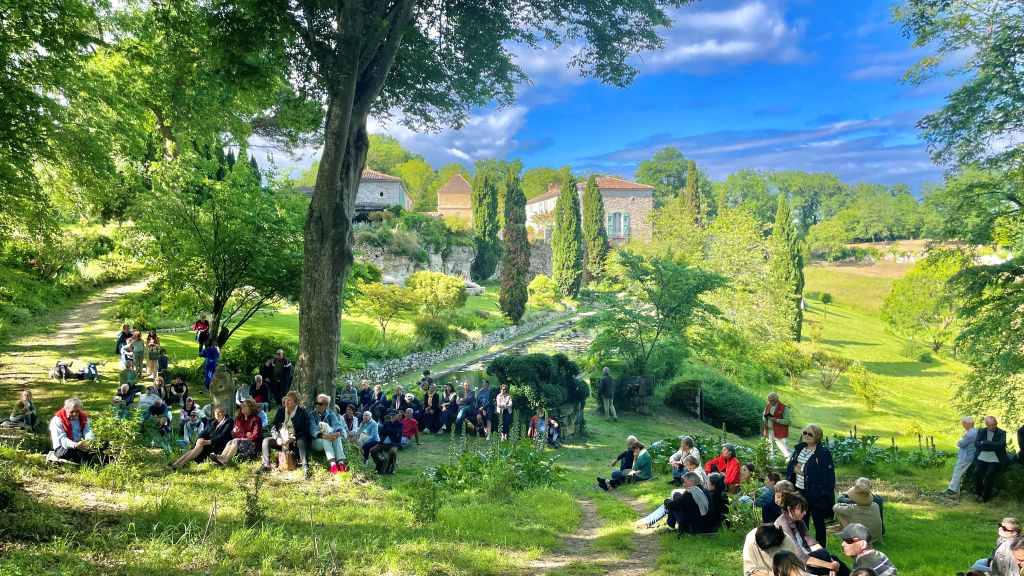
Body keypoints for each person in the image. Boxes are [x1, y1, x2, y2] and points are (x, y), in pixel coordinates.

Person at [774, 492, 850, 576]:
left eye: (805, 510)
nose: (804, 513)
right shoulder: (782, 524)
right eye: (801, 509)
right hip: (795, 564)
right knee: (823, 555)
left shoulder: (799, 521)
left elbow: (812, 543)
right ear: (789, 508)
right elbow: (800, 557)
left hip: (808, 557)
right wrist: (830, 565)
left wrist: (832, 561)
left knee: (833, 558)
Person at [786, 424, 835, 546]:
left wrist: (803, 472)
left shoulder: (823, 453)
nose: (806, 436)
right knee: (802, 519)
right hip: (800, 490)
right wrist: (794, 470)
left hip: (815, 492)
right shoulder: (800, 449)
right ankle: (804, 545)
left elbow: (826, 475)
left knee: (818, 521)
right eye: (805, 433)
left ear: (817, 436)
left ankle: (821, 547)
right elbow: (791, 465)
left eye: (810, 434)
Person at [260, 391, 313, 478]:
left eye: (290, 400)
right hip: (281, 438)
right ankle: (266, 465)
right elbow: (274, 426)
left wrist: (293, 438)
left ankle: (306, 467)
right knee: (266, 441)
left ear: (296, 402)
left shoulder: (302, 412)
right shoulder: (281, 411)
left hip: (294, 440)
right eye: (286, 399)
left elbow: (305, 429)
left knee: (301, 441)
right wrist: (277, 437)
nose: (286, 402)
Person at [169, 406, 233, 470]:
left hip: (217, 446)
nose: (217, 414)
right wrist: (199, 439)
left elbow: (223, 436)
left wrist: (208, 442)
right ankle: (176, 463)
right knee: (198, 445)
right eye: (216, 412)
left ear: (224, 413)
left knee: (199, 446)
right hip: (206, 445)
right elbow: (203, 432)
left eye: (220, 412)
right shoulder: (211, 421)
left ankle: (180, 464)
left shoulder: (229, 421)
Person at [49, 398, 104, 465]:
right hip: (64, 447)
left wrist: (89, 441)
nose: (75, 414)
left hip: (80, 443)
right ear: (66, 409)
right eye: (72, 411)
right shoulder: (57, 420)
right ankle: (87, 462)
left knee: (104, 444)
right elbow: (62, 439)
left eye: (77, 411)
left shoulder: (83, 417)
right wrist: (75, 445)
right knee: (76, 453)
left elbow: (88, 431)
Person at [212, 398, 263, 465]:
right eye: (242, 406)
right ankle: (221, 458)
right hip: (240, 442)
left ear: (251, 408)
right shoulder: (239, 419)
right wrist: (246, 434)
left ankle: (225, 460)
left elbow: (256, 435)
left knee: (236, 441)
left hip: (253, 444)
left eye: (245, 406)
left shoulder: (256, 419)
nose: (242, 407)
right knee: (230, 441)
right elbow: (233, 434)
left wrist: (241, 435)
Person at [834, 478, 884, 543]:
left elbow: (836, 506)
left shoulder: (851, 506)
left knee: (840, 511)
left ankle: (846, 531)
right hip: (876, 538)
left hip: (861, 539)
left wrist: (848, 498)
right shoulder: (876, 503)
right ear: (870, 488)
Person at [974, 415, 1010, 503]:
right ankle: (977, 493)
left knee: (989, 475)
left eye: (994, 424)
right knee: (977, 472)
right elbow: (977, 444)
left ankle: (985, 497)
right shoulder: (981, 431)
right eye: (990, 425)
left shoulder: (1002, 432)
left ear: (996, 423)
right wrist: (992, 445)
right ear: (986, 425)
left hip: (995, 457)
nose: (993, 427)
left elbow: (1001, 445)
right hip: (982, 456)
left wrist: (985, 443)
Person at [309, 394, 347, 474]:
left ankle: (341, 464)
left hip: (329, 438)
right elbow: (312, 431)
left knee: (337, 437)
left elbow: (337, 425)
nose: (317, 405)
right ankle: (333, 465)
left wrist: (337, 433)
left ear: (326, 405)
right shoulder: (312, 415)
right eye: (316, 403)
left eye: (320, 404)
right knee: (326, 439)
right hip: (315, 442)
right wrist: (324, 436)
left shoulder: (330, 413)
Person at [942, 416, 979, 496]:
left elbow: (960, 444)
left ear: (968, 424)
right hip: (969, 455)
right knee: (959, 472)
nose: (963, 425)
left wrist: (958, 442)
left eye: (964, 423)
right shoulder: (974, 432)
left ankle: (952, 490)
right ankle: (954, 489)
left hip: (966, 456)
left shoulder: (970, 434)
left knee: (957, 472)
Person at [370, 409, 403, 474]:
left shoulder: (400, 424)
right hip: (383, 443)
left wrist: (388, 431)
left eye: (393, 415)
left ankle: (392, 468)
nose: (391, 416)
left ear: (397, 416)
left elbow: (396, 433)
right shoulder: (387, 423)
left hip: (393, 444)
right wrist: (391, 431)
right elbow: (382, 432)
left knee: (393, 452)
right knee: (372, 450)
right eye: (391, 415)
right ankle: (379, 464)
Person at [764, 392, 793, 458]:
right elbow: (765, 416)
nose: (770, 402)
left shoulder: (784, 408)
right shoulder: (768, 405)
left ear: (776, 399)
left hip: (780, 431)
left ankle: (788, 464)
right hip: (769, 430)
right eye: (769, 400)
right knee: (769, 451)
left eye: (771, 400)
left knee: (785, 451)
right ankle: (771, 465)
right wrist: (765, 428)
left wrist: (776, 420)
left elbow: (788, 421)